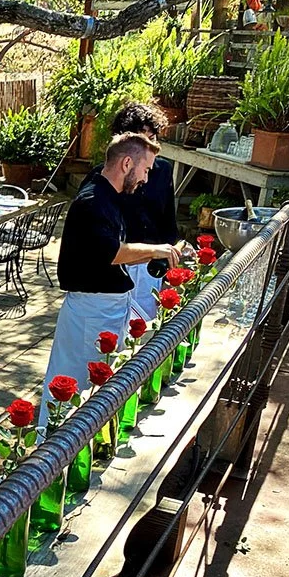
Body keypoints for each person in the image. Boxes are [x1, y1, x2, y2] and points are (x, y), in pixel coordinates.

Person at [39, 133, 180, 425]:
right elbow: (112, 252)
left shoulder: (111, 197)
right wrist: (156, 249)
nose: (146, 178)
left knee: (99, 392)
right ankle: (50, 447)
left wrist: (159, 255)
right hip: (90, 312)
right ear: (127, 163)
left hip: (104, 309)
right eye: (145, 170)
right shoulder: (92, 201)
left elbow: (116, 255)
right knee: (74, 388)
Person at [81, 102, 179, 319]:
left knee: (145, 328)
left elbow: (168, 222)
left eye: (152, 139)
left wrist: (168, 265)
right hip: (116, 265)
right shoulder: (101, 180)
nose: (147, 148)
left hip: (150, 266)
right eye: (142, 140)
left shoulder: (163, 170)